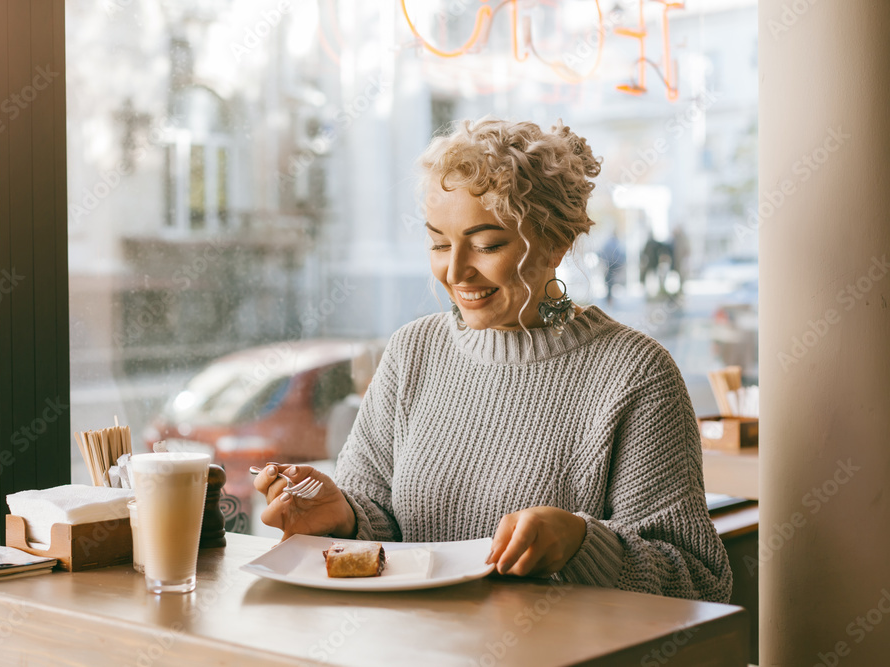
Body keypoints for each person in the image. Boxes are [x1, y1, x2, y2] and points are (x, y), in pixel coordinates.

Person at [254, 118, 732, 602]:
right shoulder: (412, 352)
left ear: (556, 243)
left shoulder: (634, 373)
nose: (455, 271)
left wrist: (581, 543)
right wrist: (344, 516)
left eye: (487, 245)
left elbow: (697, 580)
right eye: (440, 243)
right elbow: (386, 527)